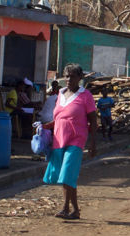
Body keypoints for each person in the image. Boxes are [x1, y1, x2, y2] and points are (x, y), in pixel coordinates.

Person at [41, 64, 98, 220]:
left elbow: (93, 121)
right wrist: (45, 127)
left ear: (80, 78)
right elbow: (60, 118)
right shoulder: (60, 93)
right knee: (66, 176)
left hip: (76, 140)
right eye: (66, 76)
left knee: (67, 174)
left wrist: (93, 143)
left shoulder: (85, 95)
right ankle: (76, 211)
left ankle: (65, 208)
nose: (68, 79)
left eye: (72, 76)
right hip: (59, 140)